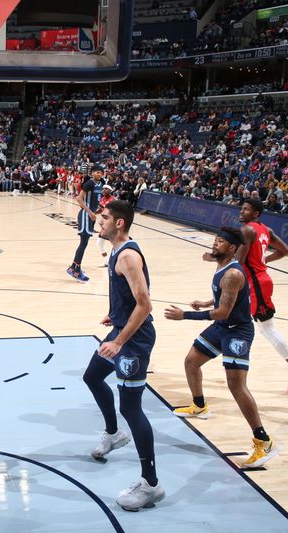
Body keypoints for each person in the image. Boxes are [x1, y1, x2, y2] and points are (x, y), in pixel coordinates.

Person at [165, 227, 279, 468]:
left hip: (237, 330)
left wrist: (184, 315)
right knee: (191, 361)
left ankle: (263, 440)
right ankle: (199, 405)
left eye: (220, 242)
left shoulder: (232, 274)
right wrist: (206, 301)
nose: (215, 244)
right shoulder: (223, 268)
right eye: (215, 240)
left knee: (236, 385)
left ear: (232, 248)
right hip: (223, 327)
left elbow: (223, 312)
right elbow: (226, 298)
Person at [83, 200, 164, 511]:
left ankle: (151, 485)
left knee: (132, 408)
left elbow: (145, 305)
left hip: (134, 339)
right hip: (122, 329)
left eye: (104, 218)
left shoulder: (128, 256)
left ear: (119, 223)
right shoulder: (117, 250)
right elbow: (129, 298)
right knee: (92, 376)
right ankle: (114, 434)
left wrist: (118, 341)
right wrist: (114, 314)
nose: (98, 221)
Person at [204, 198, 288, 392]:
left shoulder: (247, 230)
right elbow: (285, 250)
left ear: (256, 213)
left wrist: (213, 257)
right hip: (257, 281)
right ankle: (225, 357)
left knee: (266, 328)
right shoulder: (266, 230)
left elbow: (237, 260)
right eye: (242, 208)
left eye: (246, 209)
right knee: (250, 323)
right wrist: (262, 261)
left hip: (256, 284)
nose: (241, 211)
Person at [67, 164, 105, 282]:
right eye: (96, 172)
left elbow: (95, 199)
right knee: (83, 243)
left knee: (85, 243)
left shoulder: (102, 184)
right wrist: (90, 212)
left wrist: (99, 207)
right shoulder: (89, 183)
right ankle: (75, 269)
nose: (99, 174)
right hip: (85, 215)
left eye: (100, 172)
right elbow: (79, 198)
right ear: (92, 173)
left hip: (91, 215)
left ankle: (74, 267)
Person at [95, 183, 116, 267]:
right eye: (103, 189)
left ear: (110, 190)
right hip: (104, 224)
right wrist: (93, 213)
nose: (103, 190)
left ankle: (115, 259)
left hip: (111, 224)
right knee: (99, 243)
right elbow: (101, 209)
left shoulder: (113, 200)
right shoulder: (102, 198)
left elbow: (114, 211)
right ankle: (107, 261)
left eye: (106, 189)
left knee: (115, 243)